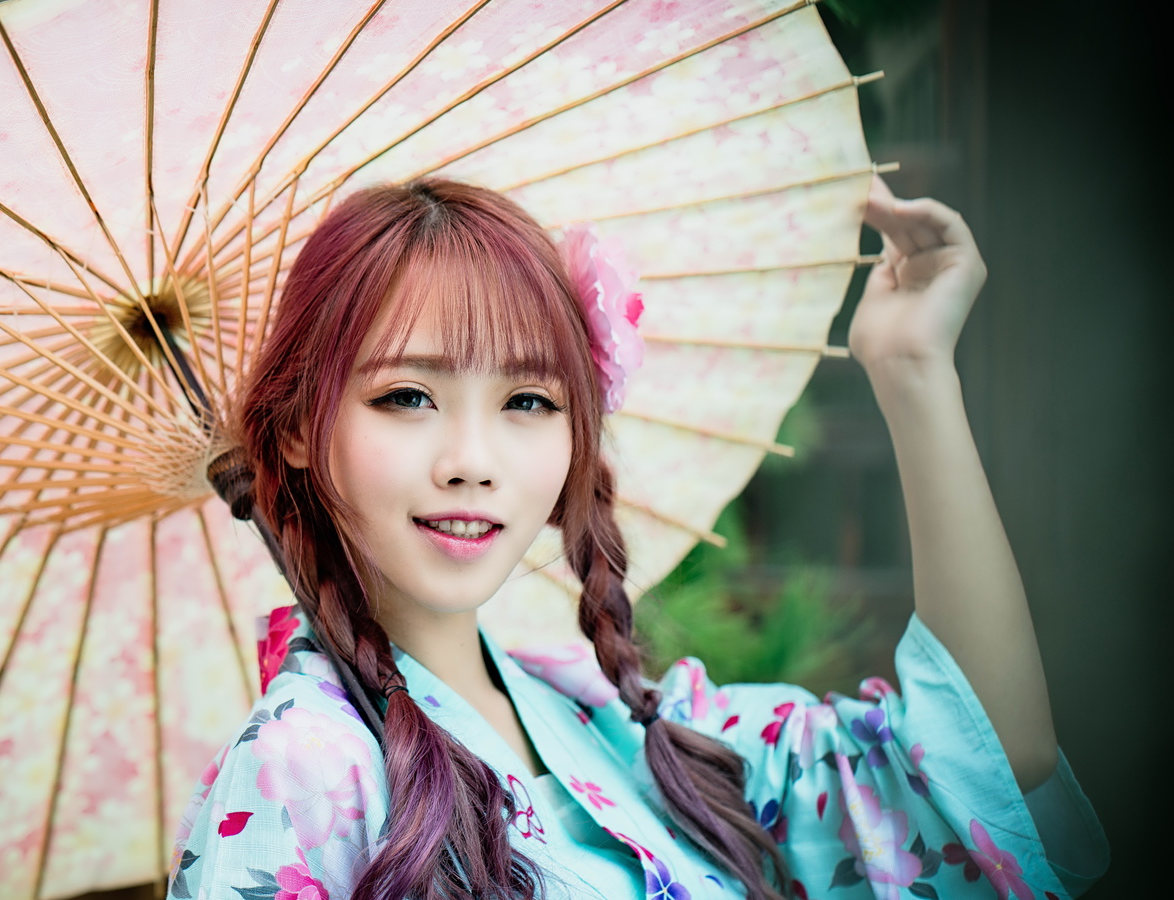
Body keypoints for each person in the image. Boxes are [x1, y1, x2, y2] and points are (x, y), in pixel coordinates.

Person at [168, 179, 1108, 900]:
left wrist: (915, 376)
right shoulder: (304, 771)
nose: (471, 460)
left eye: (528, 401)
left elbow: (972, 775)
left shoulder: (626, 726)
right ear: (294, 429)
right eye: (406, 396)